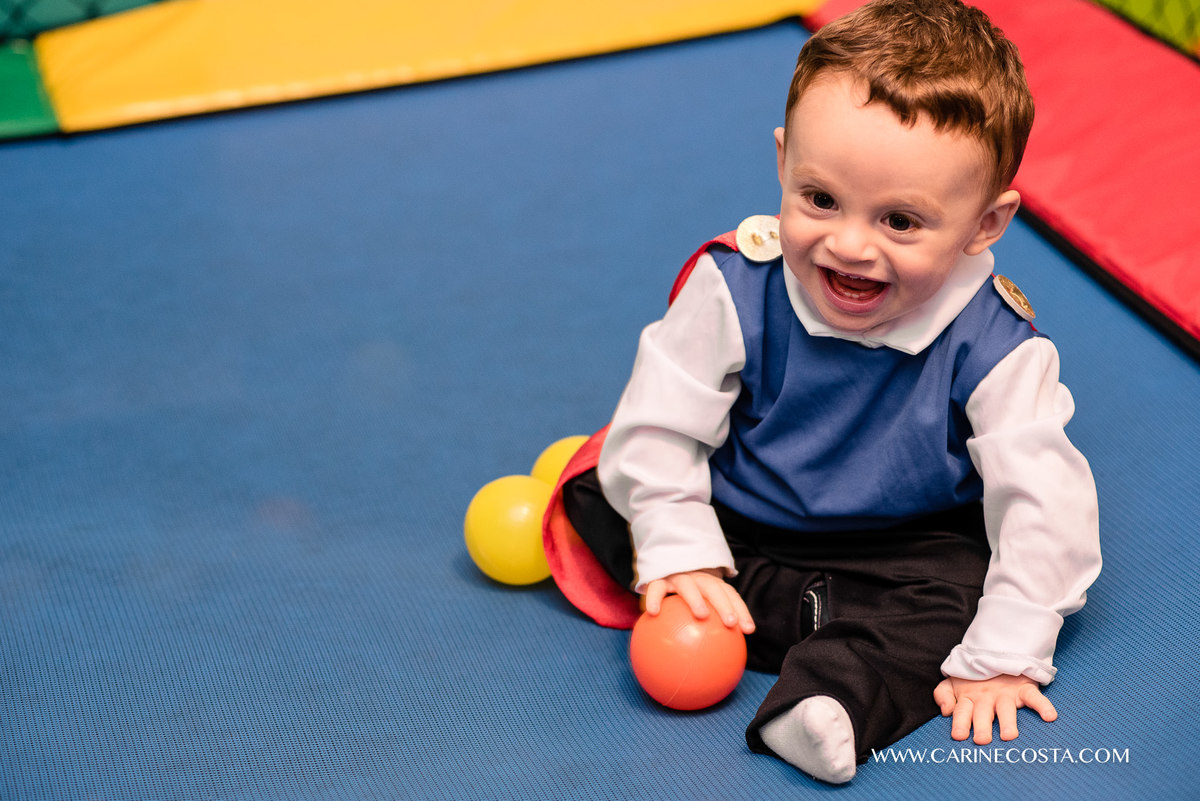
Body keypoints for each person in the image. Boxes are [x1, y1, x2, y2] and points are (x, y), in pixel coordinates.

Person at [548, 0, 1101, 785]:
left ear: (986, 223)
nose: (849, 244)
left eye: (901, 221)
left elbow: (1048, 509)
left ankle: (828, 696)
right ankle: (747, 593)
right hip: (743, 518)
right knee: (610, 487)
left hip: (901, 546)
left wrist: (1004, 656)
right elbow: (664, 423)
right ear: (783, 162)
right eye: (820, 199)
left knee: (959, 603)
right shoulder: (735, 283)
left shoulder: (998, 346)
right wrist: (681, 544)